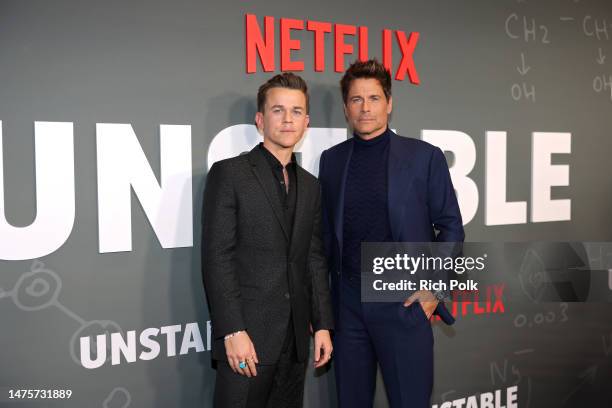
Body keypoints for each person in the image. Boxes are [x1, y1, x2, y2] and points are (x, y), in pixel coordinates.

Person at [318, 59, 464, 408]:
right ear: (345, 107)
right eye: (356, 99)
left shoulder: (423, 157)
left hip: (402, 300)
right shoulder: (332, 160)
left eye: (374, 98)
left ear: (389, 103)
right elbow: (324, 237)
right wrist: (322, 310)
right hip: (348, 304)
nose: (365, 108)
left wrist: (435, 289)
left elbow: (451, 226)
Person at [202, 73, 334, 408]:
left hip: (294, 344)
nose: (287, 119)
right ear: (260, 120)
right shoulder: (230, 173)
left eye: (296, 111)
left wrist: (322, 325)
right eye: (278, 110)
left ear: (306, 122)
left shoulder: (311, 186)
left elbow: (313, 259)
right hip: (247, 341)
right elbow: (218, 256)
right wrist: (232, 331)